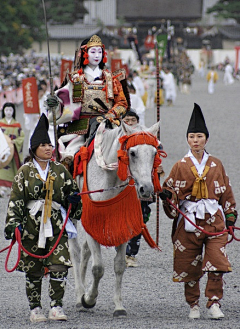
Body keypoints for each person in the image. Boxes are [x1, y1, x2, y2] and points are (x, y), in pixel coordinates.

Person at [159, 103, 237, 319]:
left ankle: (214, 302)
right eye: (192, 136)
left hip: (214, 221)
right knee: (190, 265)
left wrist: (230, 219)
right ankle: (193, 304)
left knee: (216, 263)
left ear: (206, 139)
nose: (196, 140)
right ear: (187, 139)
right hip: (189, 222)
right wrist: (167, 197)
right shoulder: (179, 165)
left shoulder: (216, 164)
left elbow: (227, 193)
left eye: (200, 136)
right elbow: (171, 192)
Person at [4, 113, 82, 323]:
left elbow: (72, 197)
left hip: (56, 224)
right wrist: (13, 225)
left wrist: (73, 201)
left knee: (59, 265)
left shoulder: (61, 171)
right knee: (33, 268)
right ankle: (35, 308)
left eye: (50, 145)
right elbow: (16, 200)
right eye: (44, 145)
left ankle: (56, 306)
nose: (49, 148)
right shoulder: (24, 172)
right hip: (31, 226)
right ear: (34, 148)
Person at [46, 34, 129, 164]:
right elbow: (63, 102)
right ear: (85, 53)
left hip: (108, 124)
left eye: (99, 52)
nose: (97, 55)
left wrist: (110, 114)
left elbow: (122, 104)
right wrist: (54, 103)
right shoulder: (74, 79)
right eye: (93, 51)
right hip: (80, 129)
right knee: (68, 158)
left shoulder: (111, 80)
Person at [122, 109, 164, 267]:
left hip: (143, 183)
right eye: (127, 120)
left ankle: (132, 253)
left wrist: (158, 167)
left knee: (140, 217)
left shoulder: (148, 136)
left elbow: (157, 154)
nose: (130, 123)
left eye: (133, 120)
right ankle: (122, 250)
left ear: (137, 121)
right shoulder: (120, 138)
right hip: (124, 185)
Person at [0, 102, 25, 197]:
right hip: (2, 151)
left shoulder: (17, 125)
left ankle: (11, 189)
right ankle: (2, 189)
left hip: (13, 150)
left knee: (13, 168)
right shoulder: (1, 124)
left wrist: (15, 142)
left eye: (10, 110)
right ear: (3, 111)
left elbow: (21, 137)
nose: (8, 112)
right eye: (6, 110)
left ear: (13, 111)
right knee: (2, 168)